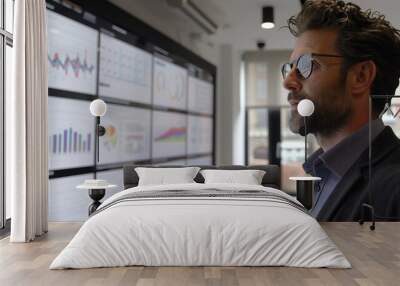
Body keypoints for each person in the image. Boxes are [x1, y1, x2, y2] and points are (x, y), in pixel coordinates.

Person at [282, 0, 400, 221]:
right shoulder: (320, 174)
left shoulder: (394, 188)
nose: (288, 81)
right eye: (290, 68)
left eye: (307, 65)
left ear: (361, 76)